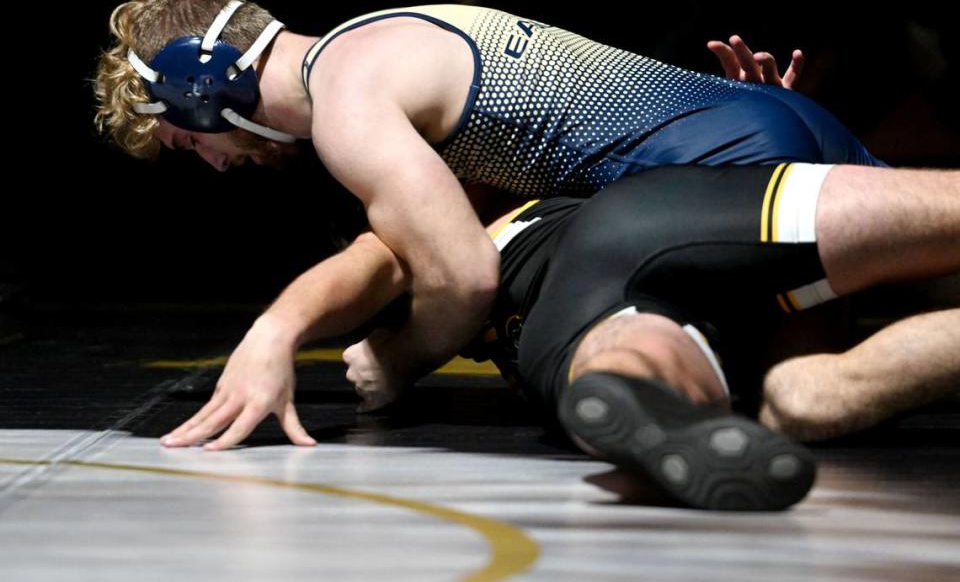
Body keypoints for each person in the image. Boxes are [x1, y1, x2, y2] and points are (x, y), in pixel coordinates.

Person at [94, 0, 886, 400]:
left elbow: (465, 275)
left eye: (187, 139)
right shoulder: (379, 34)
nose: (209, 162)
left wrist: (396, 361)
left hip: (728, 170)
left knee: (789, 399)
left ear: (205, 89)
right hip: (776, 117)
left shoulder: (347, 105)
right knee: (818, 395)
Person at [160, 162, 959, 511]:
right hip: (717, 256)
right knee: (808, 399)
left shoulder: (468, 233)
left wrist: (278, 327)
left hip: (585, 276)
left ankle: (642, 397)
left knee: (627, 356)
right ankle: (650, 402)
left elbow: (363, 265)